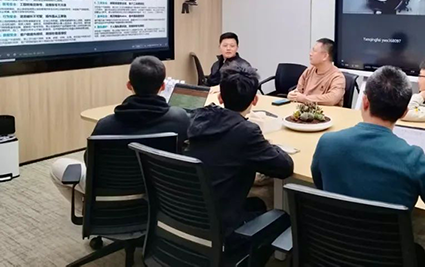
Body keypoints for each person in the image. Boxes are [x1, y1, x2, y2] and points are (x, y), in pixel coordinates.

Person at [311, 66, 425, 267]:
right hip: (386, 257)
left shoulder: (327, 143)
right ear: (404, 112)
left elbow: (320, 184)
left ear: (364, 101)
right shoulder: (413, 159)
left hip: (331, 251)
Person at [50, 56, 191, 213]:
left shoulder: (106, 125)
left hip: (115, 191)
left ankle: (91, 212)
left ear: (129, 85)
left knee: (58, 167)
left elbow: (90, 163)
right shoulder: (181, 118)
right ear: (163, 86)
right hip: (163, 192)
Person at [185, 64, 293, 246]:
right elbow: (285, 167)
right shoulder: (246, 132)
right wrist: (268, 145)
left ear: (220, 97)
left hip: (188, 215)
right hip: (221, 229)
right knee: (282, 217)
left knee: (257, 204)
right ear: (255, 100)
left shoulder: (197, 119)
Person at [288, 38, 346, 106]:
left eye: (314, 51)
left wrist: (305, 99)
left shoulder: (337, 77)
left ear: (325, 56)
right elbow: (298, 91)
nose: (310, 54)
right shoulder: (309, 71)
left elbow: (332, 99)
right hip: (306, 110)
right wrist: (293, 95)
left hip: (326, 111)